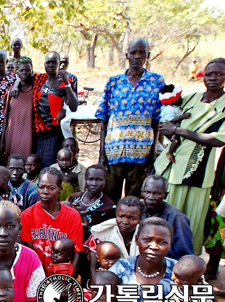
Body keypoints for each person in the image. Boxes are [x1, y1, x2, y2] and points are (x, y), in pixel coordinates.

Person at [154, 58, 225, 255]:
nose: (212, 78)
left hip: (197, 172)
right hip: (170, 166)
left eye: (219, 74)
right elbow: (168, 122)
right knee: (165, 220)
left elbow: (218, 140)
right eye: (209, 74)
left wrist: (177, 129)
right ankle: (161, 264)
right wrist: (170, 130)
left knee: (190, 222)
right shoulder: (191, 99)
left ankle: (188, 268)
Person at [96, 38, 164, 203]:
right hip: (114, 151)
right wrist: (102, 154)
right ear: (127, 55)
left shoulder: (156, 82)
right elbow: (103, 119)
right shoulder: (114, 82)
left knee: (133, 199)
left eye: (141, 52)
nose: (137, 56)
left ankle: (132, 229)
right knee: (110, 197)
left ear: (147, 55)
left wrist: (152, 153)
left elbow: (157, 121)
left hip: (141, 151)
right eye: (133, 52)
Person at [11, 52, 78, 169]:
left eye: (54, 62)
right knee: (35, 164)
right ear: (44, 64)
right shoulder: (39, 79)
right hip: (37, 131)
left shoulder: (64, 81)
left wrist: (67, 84)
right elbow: (21, 78)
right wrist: (16, 86)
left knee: (50, 164)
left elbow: (73, 106)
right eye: (48, 62)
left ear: (59, 64)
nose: (51, 65)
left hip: (54, 131)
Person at [109, 217, 178, 302]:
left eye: (162, 242)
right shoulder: (120, 269)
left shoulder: (180, 271)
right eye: (147, 239)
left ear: (171, 243)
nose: (154, 247)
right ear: (136, 240)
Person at [20, 167, 84, 276]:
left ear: (60, 188)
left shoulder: (72, 215)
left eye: (51, 188)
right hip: (36, 274)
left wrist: (68, 281)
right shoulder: (26, 215)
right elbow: (30, 253)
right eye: (41, 187)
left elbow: (76, 253)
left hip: (63, 275)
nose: (45, 192)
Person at [138, 255, 223, 302]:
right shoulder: (180, 285)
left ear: (199, 281)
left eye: (183, 279)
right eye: (174, 274)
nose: (175, 280)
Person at [141, 175, 194, 260]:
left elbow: (184, 255)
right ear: (142, 192)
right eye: (147, 192)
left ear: (165, 195)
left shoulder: (177, 218)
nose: (150, 197)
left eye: (156, 194)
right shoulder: (135, 210)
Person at [85, 196, 143, 263]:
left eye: (132, 218)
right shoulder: (100, 233)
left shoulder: (146, 236)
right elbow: (93, 268)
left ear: (140, 218)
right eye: (121, 216)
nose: (125, 222)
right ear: (116, 215)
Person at [2, 60, 35, 159]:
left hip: (28, 135)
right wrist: (2, 140)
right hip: (12, 135)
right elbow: (6, 118)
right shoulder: (12, 92)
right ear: (18, 72)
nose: (24, 73)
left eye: (27, 70)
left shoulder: (35, 91)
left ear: (32, 71)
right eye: (22, 70)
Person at [67, 164, 116, 230]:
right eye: (90, 179)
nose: (94, 183)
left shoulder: (109, 207)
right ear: (85, 180)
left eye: (99, 180)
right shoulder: (74, 198)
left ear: (105, 181)